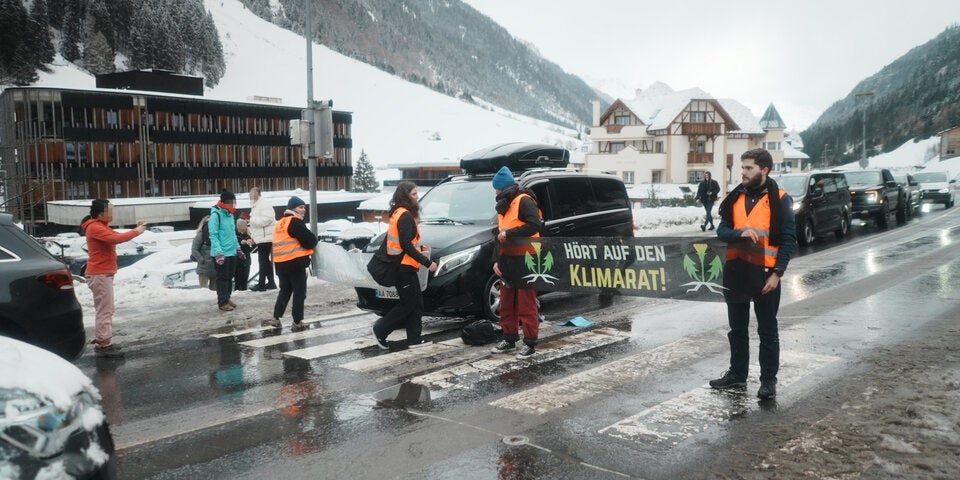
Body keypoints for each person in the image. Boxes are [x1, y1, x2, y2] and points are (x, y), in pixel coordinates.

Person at [710, 148, 797, 400]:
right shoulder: (736, 197)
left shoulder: (780, 199)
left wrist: (777, 273)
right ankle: (737, 373)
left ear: (764, 170)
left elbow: (789, 240)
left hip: (765, 275)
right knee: (736, 329)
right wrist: (740, 233)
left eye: (749, 168)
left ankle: (768, 380)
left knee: (767, 331)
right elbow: (722, 230)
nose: (743, 172)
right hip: (736, 272)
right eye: (742, 168)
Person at [371, 181, 438, 349]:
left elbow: (405, 243)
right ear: (405, 196)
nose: (417, 198)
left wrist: (422, 249)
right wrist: (427, 262)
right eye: (414, 194)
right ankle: (381, 329)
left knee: (416, 303)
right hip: (402, 268)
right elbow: (406, 245)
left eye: (417, 194)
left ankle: (414, 339)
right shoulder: (405, 215)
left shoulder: (400, 213)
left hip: (404, 266)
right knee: (409, 304)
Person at [81, 199, 147, 358]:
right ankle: (104, 345)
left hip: (102, 273)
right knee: (105, 309)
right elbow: (116, 239)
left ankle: (102, 340)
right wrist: (137, 231)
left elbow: (116, 236)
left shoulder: (100, 226)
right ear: (101, 213)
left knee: (105, 308)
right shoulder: (95, 227)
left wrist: (135, 229)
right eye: (110, 210)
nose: (112, 213)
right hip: (99, 273)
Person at [488, 167, 543, 358]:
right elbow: (499, 235)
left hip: (527, 258)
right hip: (508, 259)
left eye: (496, 189)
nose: (495, 192)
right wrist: (496, 260)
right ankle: (509, 338)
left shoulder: (524, 200)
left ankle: (530, 343)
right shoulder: (504, 205)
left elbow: (535, 225)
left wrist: (510, 234)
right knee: (506, 302)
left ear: (504, 188)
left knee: (526, 303)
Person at [266, 196, 319, 331]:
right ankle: (297, 322)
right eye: (300, 207)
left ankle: (276, 317)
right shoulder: (295, 222)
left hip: (280, 264)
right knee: (299, 292)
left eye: (304, 208)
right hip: (295, 263)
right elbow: (310, 241)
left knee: (285, 291)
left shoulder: (281, 223)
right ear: (293, 209)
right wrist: (314, 240)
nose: (303, 210)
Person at [210, 190, 241, 312]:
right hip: (221, 253)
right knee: (222, 278)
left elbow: (233, 234)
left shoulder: (230, 215)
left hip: (231, 252)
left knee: (229, 277)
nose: (232, 205)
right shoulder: (216, 215)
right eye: (230, 202)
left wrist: (237, 248)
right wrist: (218, 252)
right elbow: (213, 235)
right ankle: (222, 301)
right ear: (223, 202)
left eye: (234, 202)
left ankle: (227, 298)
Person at [248, 186, 278, 291]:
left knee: (263, 260)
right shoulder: (256, 205)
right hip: (262, 237)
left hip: (266, 237)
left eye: (251, 193)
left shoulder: (264, 204)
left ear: (257, 193)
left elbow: (268, 219)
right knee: (265, 260)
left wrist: (251, 219)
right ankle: (271, 282)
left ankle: (261, 284)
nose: (250, 195)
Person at [191, 215, 217, 291]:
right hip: (203, 268)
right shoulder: (200, 236)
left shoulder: (216, 236)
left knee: (214, 291)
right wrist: (201, 260)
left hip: (215, 268)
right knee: (204, 290)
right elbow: (194, 250)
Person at [235, 218, 255, 291]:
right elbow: (234, 246)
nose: (243, 228)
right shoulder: (235, 236)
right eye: (241, 227)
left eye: (245, 226)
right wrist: (241, 243)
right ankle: (238, 290)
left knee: (245, 278)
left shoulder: (248, 235)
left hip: (246, 259)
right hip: (238, 260)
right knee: (238, 278)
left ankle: (243, 289)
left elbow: (251, 249)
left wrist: (252, 243)